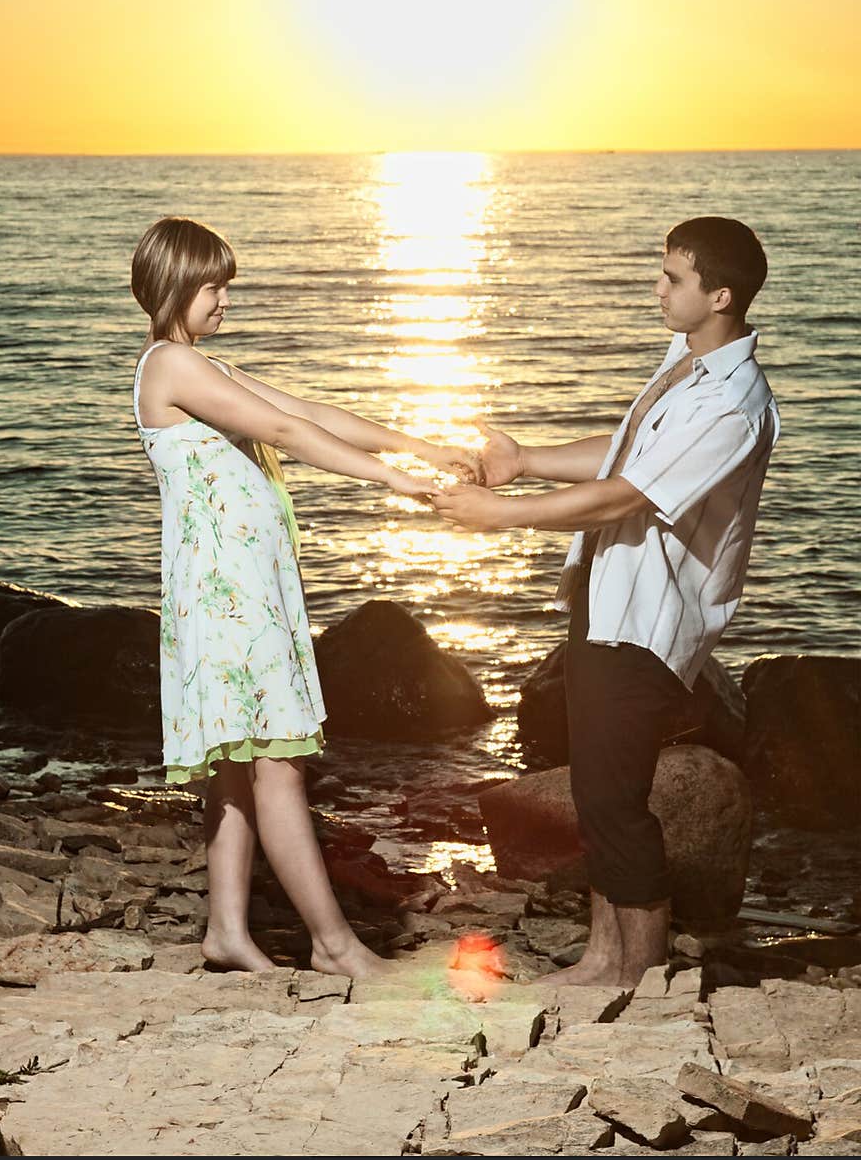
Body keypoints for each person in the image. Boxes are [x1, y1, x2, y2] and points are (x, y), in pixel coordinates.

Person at [433, 217, 780, 988]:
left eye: (674, 279)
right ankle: (602, 958)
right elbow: (626, 452)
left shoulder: (732, 403)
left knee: (617, 798)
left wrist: (497, 517)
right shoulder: (687, 365)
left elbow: (625, 493)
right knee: (596, 788)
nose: (657, 288)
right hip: (610, 596)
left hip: (651, 622)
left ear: (719, 296)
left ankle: (642, 974)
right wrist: (523, 463)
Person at [131, 215, 476, 978]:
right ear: (174, 287)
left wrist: (420, 447)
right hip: (230, 600)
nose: (224, 299)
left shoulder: (200, 365)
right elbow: (287, 430)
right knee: (278, 765)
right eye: (212, 286)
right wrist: (393, 481)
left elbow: (313, 412)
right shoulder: (170, 367)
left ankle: (226, 931)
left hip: (241, 593)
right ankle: (334, 944)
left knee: (237, 764)